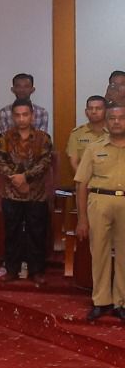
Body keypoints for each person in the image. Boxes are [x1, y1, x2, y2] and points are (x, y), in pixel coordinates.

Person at [0, 98, 55, 286]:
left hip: (36, 193)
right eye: (18, 115)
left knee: (37, 233)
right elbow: (0, 161)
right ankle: (12, 269)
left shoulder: (43, 138)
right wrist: (17, 180)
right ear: (13, 117)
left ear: (32, 116)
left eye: (25, 115)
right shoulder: (4, 137)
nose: (21, 119)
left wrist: (25, 178)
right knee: (12, 233)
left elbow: (45, 162)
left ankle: (37, 271)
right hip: (11, 193)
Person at [75, 103, 125, 322]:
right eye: (112, 118)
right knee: (99, 253)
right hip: (99, 201)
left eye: (121, 118)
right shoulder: (94, 148)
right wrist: (82, 219)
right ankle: (101, 301)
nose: (117, 122)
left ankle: (121, 302)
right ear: (106, 122)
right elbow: (81, 184)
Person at [66, 95, 109, 173]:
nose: (94, 112)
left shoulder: (116, 132)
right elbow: (74, 163)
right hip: (85, 177)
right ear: (86, 112)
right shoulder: (77, 133)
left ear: (106, 111)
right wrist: (84, 178)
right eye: (90, 108)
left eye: (98, 108)